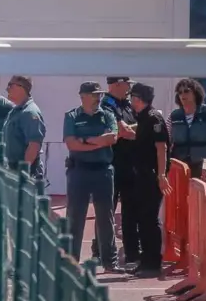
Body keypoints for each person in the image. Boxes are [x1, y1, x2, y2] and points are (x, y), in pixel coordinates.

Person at [63, 81, 118, 268]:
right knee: (75, 216)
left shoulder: (108, 115)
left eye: (99, 95)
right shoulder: (71, 116)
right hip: (79, 170)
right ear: (83, 96)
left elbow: (112, 138)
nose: (98, 98)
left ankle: (110, 261)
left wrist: (85, 140)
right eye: (94, 95)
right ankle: (71, 260)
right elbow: (72, 144)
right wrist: (96, 141)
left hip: (103, 170)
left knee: (105, 217)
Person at [125, 82, 171, 277]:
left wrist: (161, 175)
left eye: (132, 98)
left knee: (149, 220)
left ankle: (152, 263)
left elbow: (162, 148)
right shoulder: (143, 118)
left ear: (138, 99)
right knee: (142, 220)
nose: (130, 101)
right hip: (141, 177)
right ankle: (146, 261)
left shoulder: (154, 118)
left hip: (150, 177)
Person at [103, 76, 138, 265]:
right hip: (113, 163)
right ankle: (102, 249)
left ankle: (131, 250)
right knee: (108, 209)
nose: (129, 88)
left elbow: (130, 129)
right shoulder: (108, 105)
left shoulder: (127, 104)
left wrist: (134, 129)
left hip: (129, 164)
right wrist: (140, 129)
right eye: (126, 84)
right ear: (117, 84)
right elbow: (122, 131)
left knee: (130, 209)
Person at [2, 75, 46, 178]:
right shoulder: (15, 111)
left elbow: (34, 146)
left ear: (22, 88)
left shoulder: (30, 112)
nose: (7, 89)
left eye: (10, 85)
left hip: (26, 174)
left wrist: (22, 174)